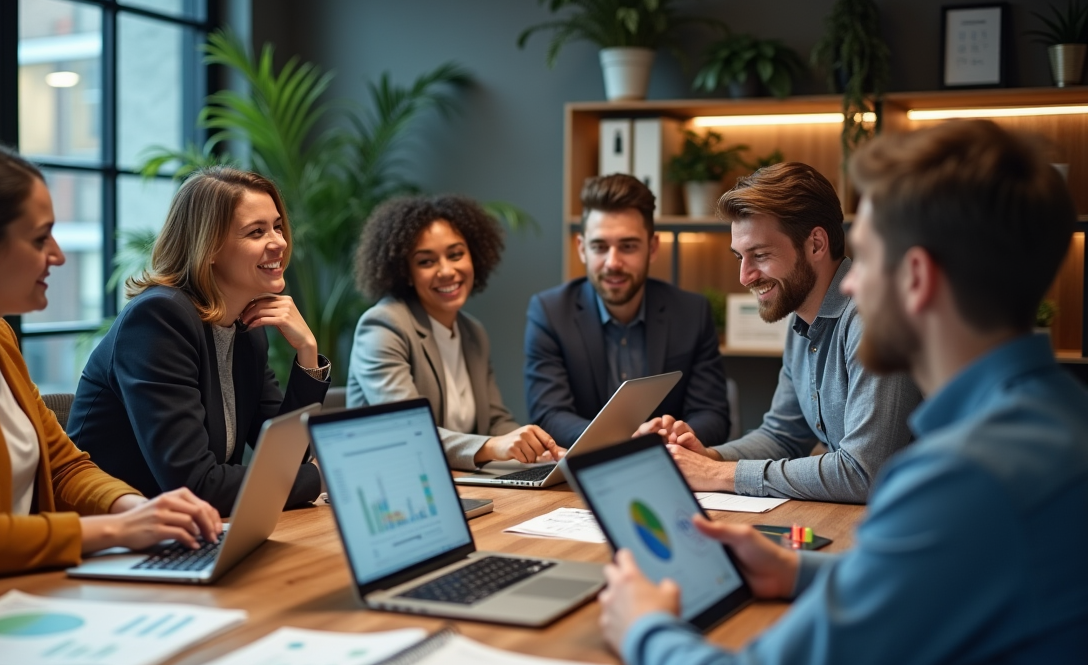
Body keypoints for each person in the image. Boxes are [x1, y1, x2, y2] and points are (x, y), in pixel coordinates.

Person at [599, 120, 1088, 665]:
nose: (851, 284)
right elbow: (949, 573)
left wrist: (643, 626)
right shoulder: (1058, 419)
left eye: (869, 256)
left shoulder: (962, 480)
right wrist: (799, 571)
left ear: (916, 277)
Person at [0, 141, 221, 585]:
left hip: (16, 589)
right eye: (41, 238)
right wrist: (114, 530)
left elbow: (64, 466)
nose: (58, 255)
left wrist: (139, 510)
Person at [640, 162, 921, 503]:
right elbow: (783, 435)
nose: (745, 276)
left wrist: (717, 474)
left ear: (816, 244)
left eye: (759, 255)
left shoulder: (872, 318)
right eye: (739, 257)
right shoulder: (800, 318)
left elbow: (864, 473)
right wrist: (707, 458)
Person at [68, 168, 329, 517]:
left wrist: (307, 354)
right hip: (116, 541)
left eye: (277, 226)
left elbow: (283, 458)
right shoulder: (158, 319)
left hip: (193, 534)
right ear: (209, 248)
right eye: (256, 231)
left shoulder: (248, 327)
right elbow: (196, 485)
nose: (279, 242)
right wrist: (317, 476)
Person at [347, 195, 561, 470]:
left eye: (456, 254)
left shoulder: (473, 332)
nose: (447, 271)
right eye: (426, 261)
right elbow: (409, 429)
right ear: (406, 272)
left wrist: (536, 449)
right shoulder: (384, 326)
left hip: (462, 481)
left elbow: (496, 421)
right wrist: (492, 447)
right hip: (396, 483)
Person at [525, 173, 730, 449]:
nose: (613, 262)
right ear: (582, 249)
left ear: (652, 247)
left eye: (628, 246)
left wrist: (671, 437)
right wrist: (627, 444)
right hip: (586, 471)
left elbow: (713, 414)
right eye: (599, 247)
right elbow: (549, 414)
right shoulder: (550, 312)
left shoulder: (691, 313)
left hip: (671, 466)